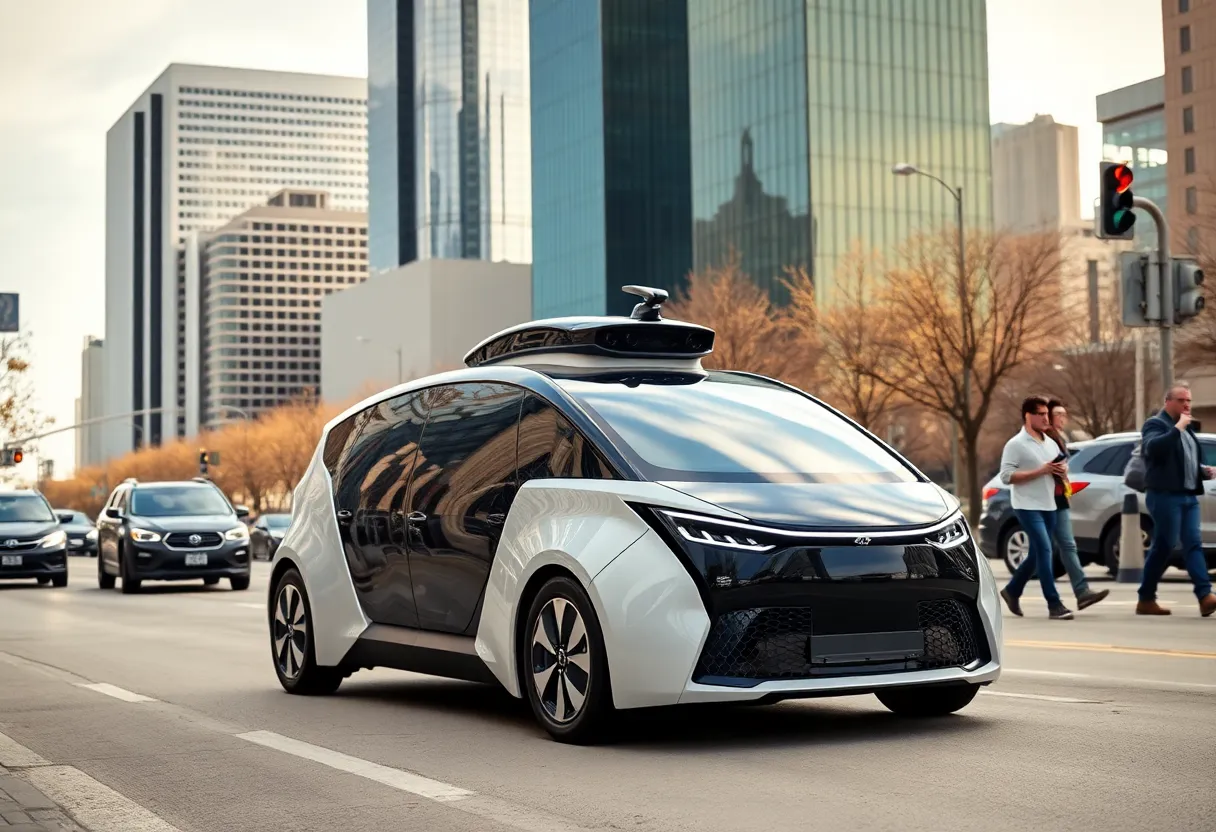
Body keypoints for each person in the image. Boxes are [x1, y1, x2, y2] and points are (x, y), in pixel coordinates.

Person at [1136, 385, 1216, 617]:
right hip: (1164, 495)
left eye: (1189, 400)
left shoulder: (1187, 430)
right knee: (1165, 545)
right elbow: (1154, 449)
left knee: (1193, 544)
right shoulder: (1155, 424)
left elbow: (1185, 461)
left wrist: (1203, 471)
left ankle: (1205, 596)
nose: (1186, 405)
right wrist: (1179, 428)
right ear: (1167, 402)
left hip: (1188, 495)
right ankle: (1146, 598)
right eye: (1181, 400)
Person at [998, 395, 1074, 620]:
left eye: (1046, 414)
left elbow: (1059, 469)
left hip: (1049, 504)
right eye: (1040, 414)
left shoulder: (1050, 443)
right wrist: (1040, 471)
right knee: (1045, 549)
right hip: (1026, 505)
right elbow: (1006, 476)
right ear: (1027, 416)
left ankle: (1012, 591)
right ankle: (1054, 603)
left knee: (1038, 553)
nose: (1045, 417)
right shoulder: (1015, 444)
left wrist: (1062, 471)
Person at [1044, 399, 1110, 611]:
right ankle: (1080, 592)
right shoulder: (1045, 439)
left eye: (1064, 414)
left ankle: (1082, 592)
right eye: (1059, 414)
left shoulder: (1059, 438)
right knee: (1047, 548)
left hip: (1059, 497)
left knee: (1064, 545)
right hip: (1046, 499)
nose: (1063, 418)